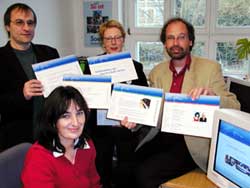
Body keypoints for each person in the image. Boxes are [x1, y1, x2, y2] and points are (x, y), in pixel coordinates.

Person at [121, 17, 240, 188]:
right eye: (170, 37)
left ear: (190, 41)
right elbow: (151, 112)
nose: (175, 42)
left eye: (181, 37)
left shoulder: (210, 68)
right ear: (165, 43)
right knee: (124, 169)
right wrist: (135, 121)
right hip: (161, 135)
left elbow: (235, 106)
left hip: (192, 142)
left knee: (145, 175)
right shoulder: (157, 72)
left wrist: (212, 96)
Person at [84, 19, 148, 188]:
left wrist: (136, 115)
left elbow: (145, 100)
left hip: (126, 128)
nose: (113, 42)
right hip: (100, 129)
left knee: (126, 171)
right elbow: (84, 97)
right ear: (103, 42)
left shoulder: (136, 67)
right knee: (101, 170)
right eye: (108, 38)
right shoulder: (92, 67)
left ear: (123, 39)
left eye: (117, 37)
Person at [0, 3, 59, 151]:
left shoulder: (50, 53)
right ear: (7, 26)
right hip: (17, 137)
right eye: (19, 22)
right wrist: (22, 94)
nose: (26, 28)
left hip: (50, 133)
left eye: (30, 23)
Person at [21, 86, 101, 188]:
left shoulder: (86, 144)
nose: (76, 123)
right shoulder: (38, 157)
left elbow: (94, 184)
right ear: (53, 121)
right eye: (66, 116)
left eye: (79, 113)